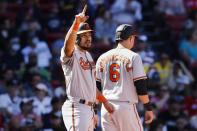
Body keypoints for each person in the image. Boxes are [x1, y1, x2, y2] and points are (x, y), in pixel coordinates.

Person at [60, 5, 114, 131]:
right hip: (77, 106)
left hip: (89, 109)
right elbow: (68, 45)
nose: (89, 37)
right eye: (84, 35)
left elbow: (91, 87)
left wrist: (104, 102)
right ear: (77, 38)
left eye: (89, 35)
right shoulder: (71, 53)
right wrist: (76, 23)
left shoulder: (88, 56)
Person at [96, 24, 154, 131]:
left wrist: (98, 108)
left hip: (106, 107)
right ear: (131, 38)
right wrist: (148, 108)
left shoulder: (102, 57)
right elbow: (141, 86)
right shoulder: (133, 56)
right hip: (125, 107)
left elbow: (96, 88)